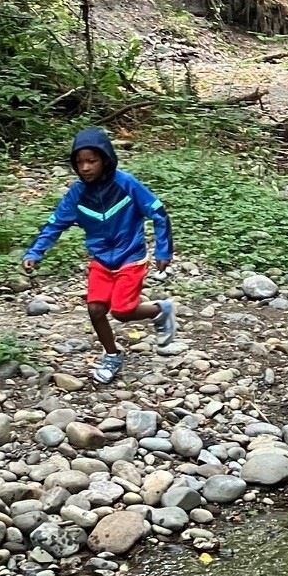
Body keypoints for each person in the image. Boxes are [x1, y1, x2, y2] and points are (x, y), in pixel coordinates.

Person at [22, 126, 175, 386]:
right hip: (102, 260)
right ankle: (112, 355)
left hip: (131, 256)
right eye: (80, 162)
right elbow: (55, 224)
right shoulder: (77, 195)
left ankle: (160, 310)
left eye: (91, 161)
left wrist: (163, 249)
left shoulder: (126, 184)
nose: (85, 167)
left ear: (105, 159)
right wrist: (35, 252)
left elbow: (158, 212)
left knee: (122, 311)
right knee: (95, 308)